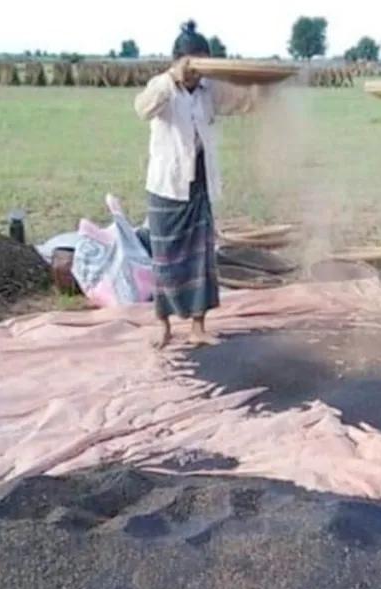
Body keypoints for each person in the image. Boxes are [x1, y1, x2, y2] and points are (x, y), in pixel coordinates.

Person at [134, 20, 260, 348]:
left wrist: (262, 84)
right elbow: (142, 109)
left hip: (199, 182)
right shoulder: (161, 87)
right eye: (193, 64)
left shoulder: (209, 90)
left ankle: (197, 327)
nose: (197, 73)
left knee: (201, 258)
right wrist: (172, 78)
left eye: (204, 64)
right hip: (168, 186)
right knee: (165, 258)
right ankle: (163, 326)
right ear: (179, 60)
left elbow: (242, 102)